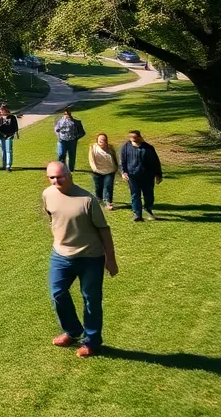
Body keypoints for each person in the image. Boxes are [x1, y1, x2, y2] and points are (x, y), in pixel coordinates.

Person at [42, 162, 118, 357]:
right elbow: (52, 217)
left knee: (91, 300)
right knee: (57, 293)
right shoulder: (48, 194)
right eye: (52, 177)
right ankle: (72, 331)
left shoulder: (87, 199)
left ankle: (91, 342)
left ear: (70, 175)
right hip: (60, 255)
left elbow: (104, 230)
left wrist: (111, 259)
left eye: (60, 177)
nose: (56, 181)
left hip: (90, 257)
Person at [120, 130, 163, 222]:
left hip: (147, 176)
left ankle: (148, 209)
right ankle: (137, 214)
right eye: (131, 138)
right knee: (135, 195)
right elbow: (123, 161)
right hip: (132, 176)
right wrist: (123, 172)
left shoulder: (148, 148)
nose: (133, 139)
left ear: (139, 137)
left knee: (148, 195)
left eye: (135, 138)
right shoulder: (126, 147)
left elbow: (155, 162)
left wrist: (158, 174)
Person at [88, 133, 118, 211]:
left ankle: (108, 203)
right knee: (98, 187)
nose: (102, 141)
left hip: (110, 170)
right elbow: (91, 159)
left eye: (104, 139)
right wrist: (94, 168)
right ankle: (99, 200)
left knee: (108, 187)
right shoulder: (93, 148)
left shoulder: (110, 148)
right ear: (97, 140)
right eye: (100, 139)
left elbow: (115, 157)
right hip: (97, 171)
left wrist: (116, 167)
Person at [0, 104, 19, 172]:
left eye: (3, 109)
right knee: (2, 150)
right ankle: (3, 165)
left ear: (6, 110)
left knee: (8, 151)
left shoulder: (12, 117)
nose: (1, 111)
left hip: (9, 136)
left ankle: (8, 166)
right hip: (1, 136)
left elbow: (15, 126)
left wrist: (15, 133)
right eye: (1, 110)